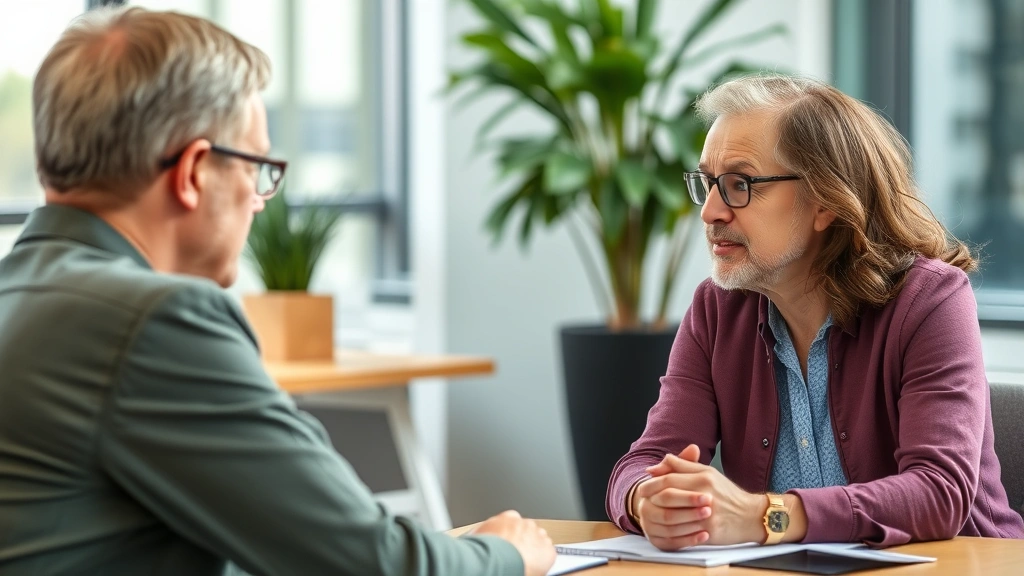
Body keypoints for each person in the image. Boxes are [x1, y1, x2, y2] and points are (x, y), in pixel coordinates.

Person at [0, 7, 555, 576]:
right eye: (256, 166)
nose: (260, 199)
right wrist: (507, 551)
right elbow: (374, 565)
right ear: (192, 172)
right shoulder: (154, 321)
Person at [605, 73, 1024, 550]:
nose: (711, 212)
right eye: (708, 183)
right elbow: (645, 461)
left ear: (826, 201)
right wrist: (648, 499)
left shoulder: (931, 302)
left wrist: (768, 517)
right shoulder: (716, 310)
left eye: (740, 184)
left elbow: (938, 493)